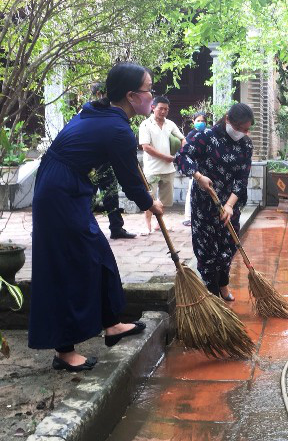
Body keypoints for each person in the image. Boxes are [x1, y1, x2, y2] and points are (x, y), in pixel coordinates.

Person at [29, 63, 165, 372]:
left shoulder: (103, 114)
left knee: (98, 254)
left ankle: (111, 323)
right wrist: (150, 204)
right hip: (58, 193)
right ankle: (64, 352)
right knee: (67, 264)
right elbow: (131, 181)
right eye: (149, 90)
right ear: (132, 96)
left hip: (67, 186)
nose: (152, 96)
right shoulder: (117, 128)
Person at [175, 103, 254, 301]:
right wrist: (198, 176)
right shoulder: (205, 137)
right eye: (241, 128)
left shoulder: (246, 144)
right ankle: (212, 294)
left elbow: (242, 179)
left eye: (247, 129)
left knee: (227, 247)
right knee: (207, 250)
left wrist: (229, 205)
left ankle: (223, 285)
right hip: (205, 202)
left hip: (230, 203)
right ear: (228, 120)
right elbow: (182, 157)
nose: (244, 133)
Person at [89, 83, 137, 239]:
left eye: (104, 93)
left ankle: (116, 228)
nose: (102, 96)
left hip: (106, 162)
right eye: (100, 93)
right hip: (91, 165)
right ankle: (84, 227)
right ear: (96, 95)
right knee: (88, 197)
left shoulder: (112, 113)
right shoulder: (90, 112)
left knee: (111, 196)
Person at [139, 96, 185, 234]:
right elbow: (145, 147)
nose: (164, 111)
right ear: (153, 107)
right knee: (149, 200)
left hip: (168, 169)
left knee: (164, 200)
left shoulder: (170, 124)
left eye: (166, 109)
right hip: (152, 169)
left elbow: (183, 139)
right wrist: (166, 157)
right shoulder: (145, 124)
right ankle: (147, 225)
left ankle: (159, 223)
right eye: (161, 108)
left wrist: (183, 152)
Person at [182, 112, 208, 227]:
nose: (201, 123)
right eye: (198, 121)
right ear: (193, 121)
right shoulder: (191, 135)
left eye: (203, 121)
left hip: (206, 169)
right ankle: (188, 217)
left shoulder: (208, 133)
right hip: (195, 169)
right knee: (191, 191)